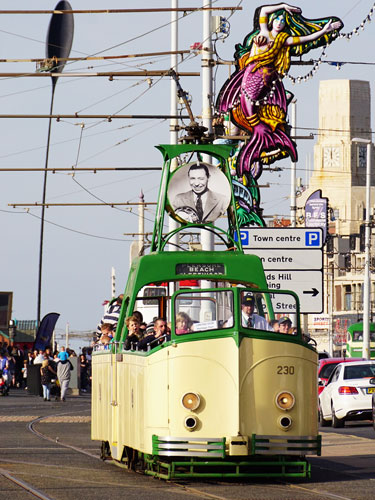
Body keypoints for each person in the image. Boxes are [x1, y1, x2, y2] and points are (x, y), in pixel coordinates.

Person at [217, 3, 343, 177]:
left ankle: (263, 137)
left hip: (266, 82)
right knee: (235, 109)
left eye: (283, 21)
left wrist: (325, 30)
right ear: (271, 21)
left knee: (284, 100)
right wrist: (284, 5)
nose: (279, 22)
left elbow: (306, 39)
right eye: (277, 18)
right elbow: (262, 11)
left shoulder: (284, 40)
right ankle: (248, 140)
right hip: (250, 76)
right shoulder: (263, 33)